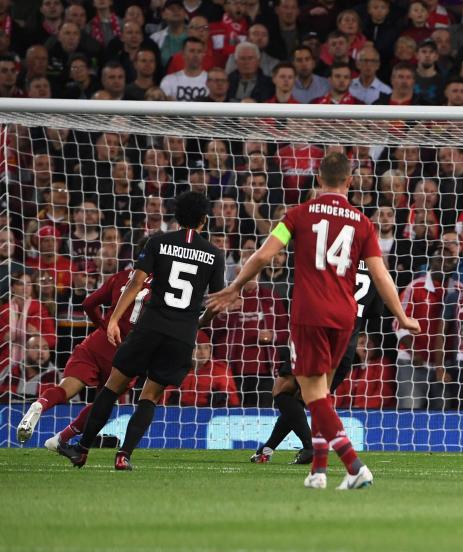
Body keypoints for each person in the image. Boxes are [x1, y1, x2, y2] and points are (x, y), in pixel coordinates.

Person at [208, 152, 420, 490]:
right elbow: (380, 275)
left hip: (310, 314)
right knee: (322, 394)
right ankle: (318, 472)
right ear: (350, 182)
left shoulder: (297, 214)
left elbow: (264, 254)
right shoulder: (362, 222)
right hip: (345, 318)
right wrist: (402, 315)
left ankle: (354, 466)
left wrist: (234, 287)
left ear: (318, 179)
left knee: (312, 395)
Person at [57, 192, 225, 471]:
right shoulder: (215, 255)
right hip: (182, 335)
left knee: (113, 386)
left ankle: (82, 448)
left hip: (151, 326)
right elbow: (217, 302)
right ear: (204, 220)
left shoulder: (158, 242)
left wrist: (113, 320)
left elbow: (135, 283)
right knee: (151, 395)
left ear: (177, 217)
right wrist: (201, 321)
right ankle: (124, 455)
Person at [17, 238, 153, 448]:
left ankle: (39, 404)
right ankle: (61, 438)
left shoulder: (120, 277)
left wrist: (105, 325)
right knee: (103, 402)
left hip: (98, 342)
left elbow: (88, 303)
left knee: (65, 388)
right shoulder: (163, 287)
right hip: (126, 353)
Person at [249, 264, 380, 464]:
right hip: (346, 350)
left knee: (281, 390)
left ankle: (311, 447)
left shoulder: (336, 261)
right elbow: (376, 312)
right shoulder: (374, 270)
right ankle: (266, 450)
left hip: (318, 339)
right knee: (300, 400)